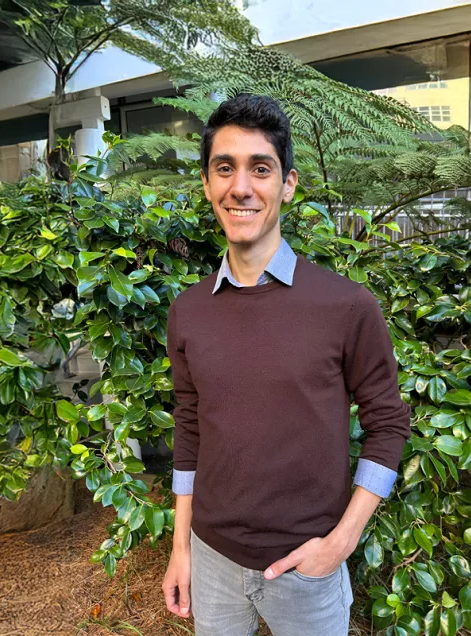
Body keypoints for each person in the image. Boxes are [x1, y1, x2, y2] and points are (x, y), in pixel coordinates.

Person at [160, 93, 412, 635]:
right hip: (212, 561)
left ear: (288, 185)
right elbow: (189, 425)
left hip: (309, 571)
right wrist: (181, 548)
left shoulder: (347, 306)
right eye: (224, 168)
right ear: (208, 185)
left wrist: (340, 544)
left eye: (260, 168)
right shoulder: (188, 311)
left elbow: (388, 423)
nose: (241, 187)